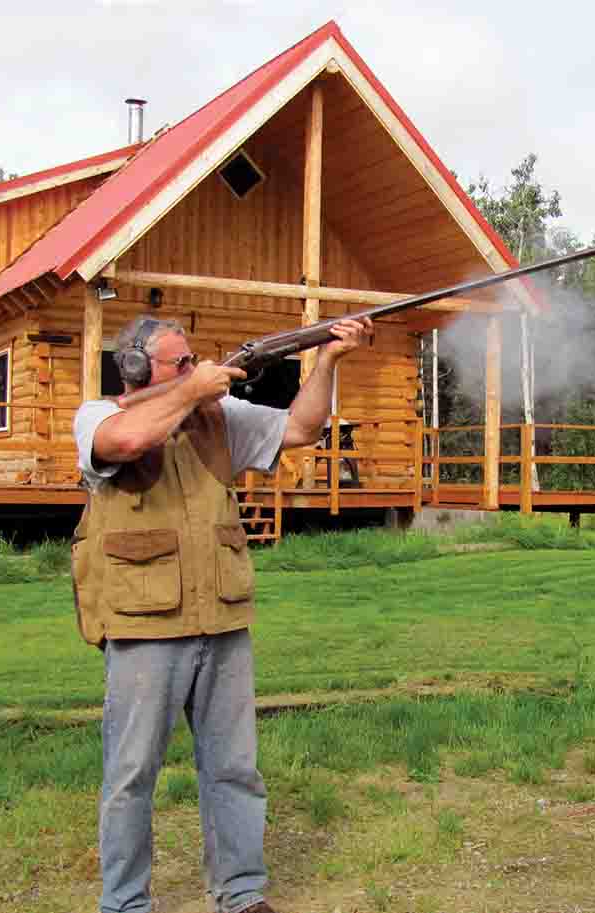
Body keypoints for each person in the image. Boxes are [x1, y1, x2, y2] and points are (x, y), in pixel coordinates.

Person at [71, 313, 372, 913]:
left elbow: (302, 428)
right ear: (134, 368)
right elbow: (126, 444)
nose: (195, 369)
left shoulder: (220, 417)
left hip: (224, 616)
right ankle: (124, 902)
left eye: (193, 361)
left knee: (235, 768)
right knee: (131, 775)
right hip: (144, 621)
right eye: (179, 363)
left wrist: (329, 358)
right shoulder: (98, 415)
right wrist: (195, 387)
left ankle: (241, 893)